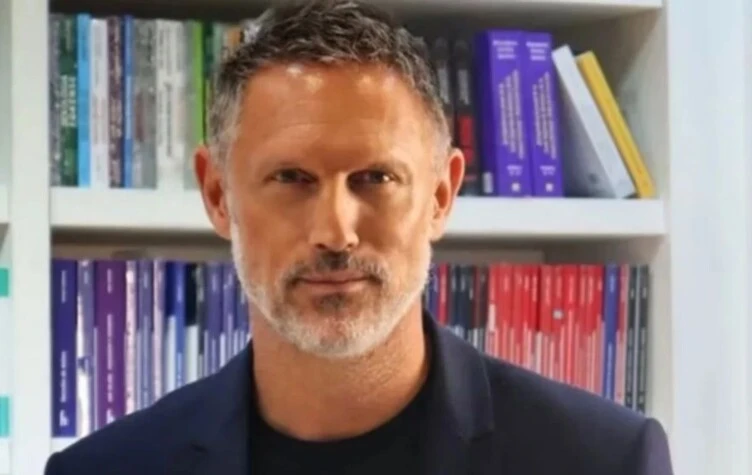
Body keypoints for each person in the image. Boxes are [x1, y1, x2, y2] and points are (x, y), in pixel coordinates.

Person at [44, 0, 674, 474]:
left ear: (440, 196)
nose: (335, 232)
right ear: (217, 195)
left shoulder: (602, 461)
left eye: (375, 178)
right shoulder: (104, 470)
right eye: (291, 178)